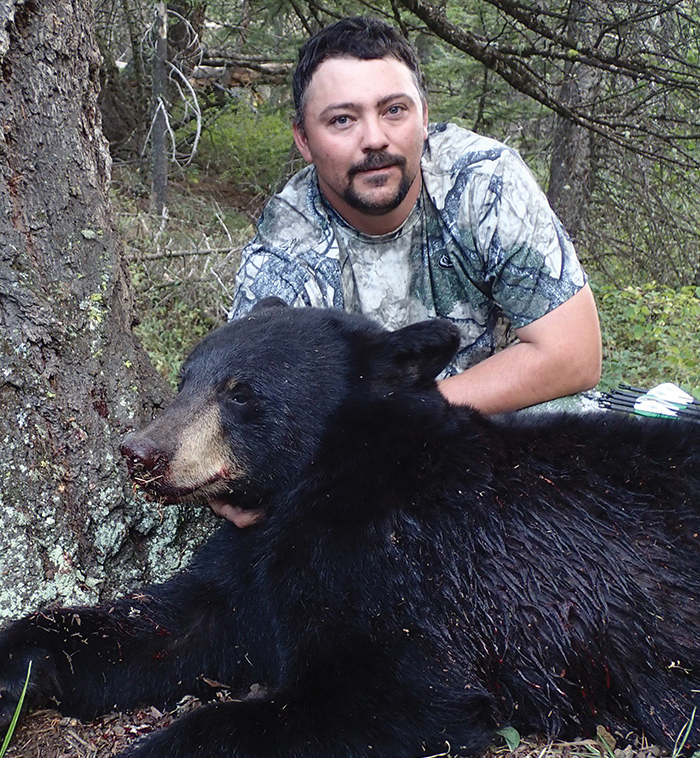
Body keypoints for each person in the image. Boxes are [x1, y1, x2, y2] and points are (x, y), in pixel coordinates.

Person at [216, 16, 602, 526]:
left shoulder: (484, 185)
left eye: (393, 110)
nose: (375, 139)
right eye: (342, 120)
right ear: (304, 141)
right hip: (370, 474)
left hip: (491, 430)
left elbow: (574, 356)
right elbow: (247, 397)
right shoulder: (288, 243)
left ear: (424, 116)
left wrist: (396, 419)